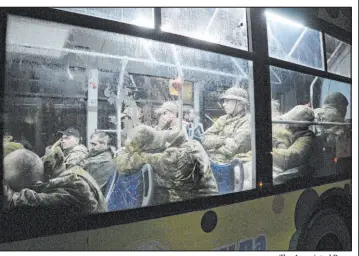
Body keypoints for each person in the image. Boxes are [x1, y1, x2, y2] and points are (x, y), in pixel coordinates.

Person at [115, 125, 218, 205]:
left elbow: (173, 163)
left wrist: (141, 157)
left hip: (200, 208)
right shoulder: (165, 147)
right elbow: (119, 161)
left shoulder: (190, 149)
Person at [3, 148, 107, 214]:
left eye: (16, 189)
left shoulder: (75, 187)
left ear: (33, 186)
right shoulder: (58, 170)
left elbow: (28, 201)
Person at [202, 87, 251, 163]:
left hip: (233, 167)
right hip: (216, 163)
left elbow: (233, 148)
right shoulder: (223, 119)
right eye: (224, 101)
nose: (224, 104)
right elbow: (204, 139)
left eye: (227, 101)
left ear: (239, 102)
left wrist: (213, 151)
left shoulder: (248, 121)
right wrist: (224, 140)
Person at [272, 105, 315, 184]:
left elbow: (292, 157)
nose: (288, 125)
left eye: (291, 124)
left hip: (282, 170)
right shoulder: (283, 127)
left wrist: (268, 152)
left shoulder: (307, 135)